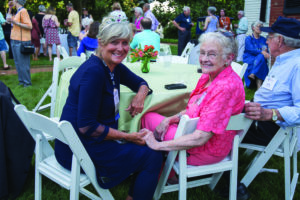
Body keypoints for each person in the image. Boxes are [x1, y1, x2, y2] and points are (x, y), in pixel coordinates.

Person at [54, 14, 162, 200]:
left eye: (125, 43)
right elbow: (87, 126)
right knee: (153, 155)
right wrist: (128, 136)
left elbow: (140, 82)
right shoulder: (94, 72)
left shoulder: (111, 66)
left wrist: (140, 95)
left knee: (148, 148)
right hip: (77, 151)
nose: (121, 48)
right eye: (114, 42)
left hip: (83, 142)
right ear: (101, 43)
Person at [142, 32, 244, 179]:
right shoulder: (208, 76)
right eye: (202, 53)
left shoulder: (224, 87)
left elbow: (201, 137)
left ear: (228, 58)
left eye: (212, 54)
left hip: (205, 148)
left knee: (147, 122)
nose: (204, 59)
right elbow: (195, 108)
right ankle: (160, 167)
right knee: (149, 117)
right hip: (193, 132)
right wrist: (170, 119)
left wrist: (158, 145)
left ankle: (159, 169)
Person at [7, 0, 32, 87]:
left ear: (17, 1)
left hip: (22, 40)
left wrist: (15, 22)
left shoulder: (23, 11)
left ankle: (27, 83)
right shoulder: (17, 12)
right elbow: (8, 21)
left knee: (23, 64)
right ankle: (22, 81)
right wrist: (9, 9)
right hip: (14, 39)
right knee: (17, 63)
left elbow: (29, 26)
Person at [243, 20, 269, 89]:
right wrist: (262, 52)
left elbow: (267, 50)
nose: (260, 28)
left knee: (261, 58)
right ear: (253, 28)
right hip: (250, 58)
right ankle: (259, 86)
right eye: (259, 26)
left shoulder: (263, 39)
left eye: (262, 27)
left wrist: (265, 52)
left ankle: (253, 73)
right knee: (261, 60)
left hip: (260, 59)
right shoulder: (248, 38)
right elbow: (250, 49)